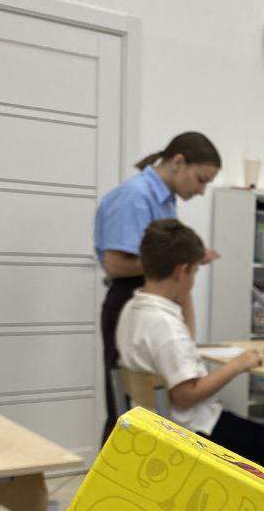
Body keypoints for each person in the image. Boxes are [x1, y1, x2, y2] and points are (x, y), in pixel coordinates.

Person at [115, 220, 264, 476]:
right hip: (192, 431)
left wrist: (183, 287)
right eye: (194, 272)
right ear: (181, 271)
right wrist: (238, 364)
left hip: (153, 423)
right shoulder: (166, 327)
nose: (194, 280)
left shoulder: (133, 309)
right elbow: (186, 395)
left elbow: (186, 340)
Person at [95, 132, 222, 443]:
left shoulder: (164, 199)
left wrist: (185, 259)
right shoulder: (136, 196)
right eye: (201, 180)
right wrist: (179, 258)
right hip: (131, 298)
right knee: (125, 413)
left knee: (145, 408)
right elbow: (116, 264)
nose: (201, 191)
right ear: (178, 162)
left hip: (155, 301)